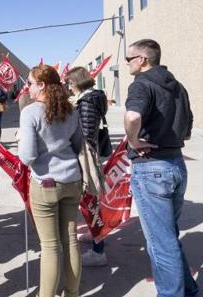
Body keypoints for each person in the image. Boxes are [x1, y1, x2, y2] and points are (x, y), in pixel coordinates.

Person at [124, 39, 197, 297]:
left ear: (142, 59)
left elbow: (132, 116)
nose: (127, 64)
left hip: (152, 168)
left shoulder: (141, 85)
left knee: (161, 244)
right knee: (168, 238)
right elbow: (188, 126)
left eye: (129, 59)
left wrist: (133, 140)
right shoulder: (178, 87)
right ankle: (188, 291)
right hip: (176, 164)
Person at [18, 64, 83, 297]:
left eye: (30, 83)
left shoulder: (30, 112)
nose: (28, 87)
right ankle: (72, 293)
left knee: (50, 245)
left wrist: (20, 142)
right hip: (72, 179)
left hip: (46, 182)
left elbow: (27, 156)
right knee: (71, 240)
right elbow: (77, 146)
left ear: (42, 85)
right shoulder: (71, 110)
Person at [66, 66, 110, 267]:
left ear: (76, 83)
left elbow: (86, 133)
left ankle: (99, 250)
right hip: (88, 155)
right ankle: (95, 237)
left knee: (91, 201)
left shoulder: (87, 101)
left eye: (69, 83)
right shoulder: (92, 98)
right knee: (89, 201)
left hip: (85, 157)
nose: (68, 87)